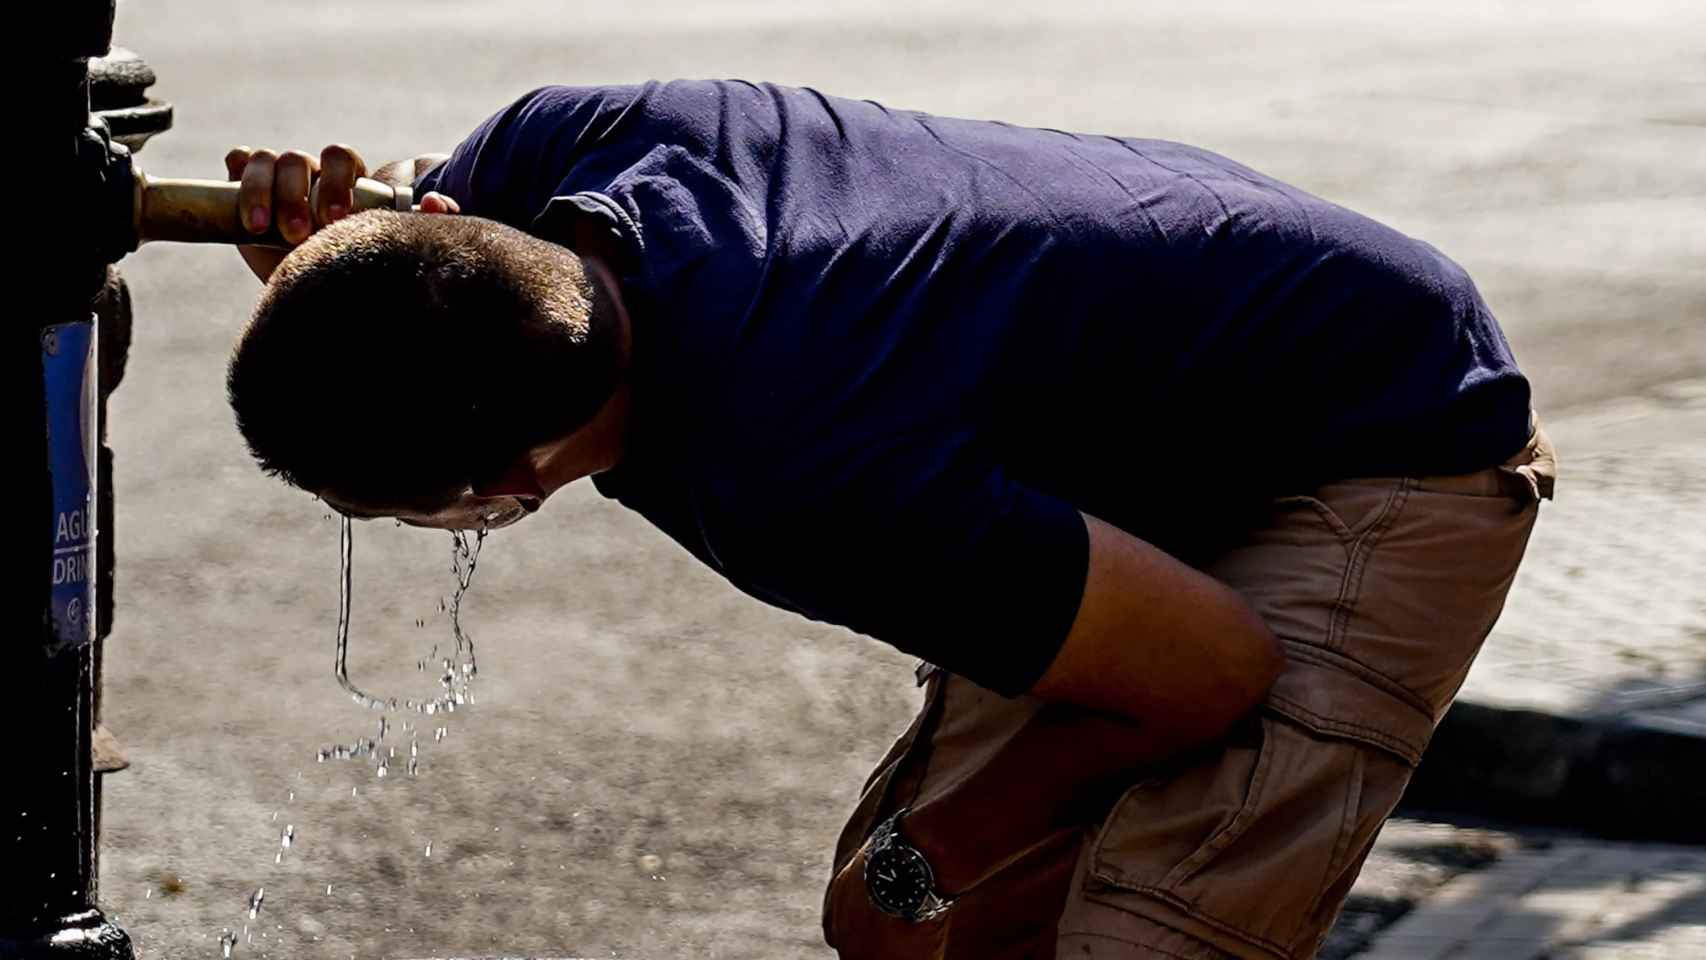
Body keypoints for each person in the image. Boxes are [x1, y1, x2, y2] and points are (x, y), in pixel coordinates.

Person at [224, 79, 1555, 959]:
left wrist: (940, 847)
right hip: (1146, 412)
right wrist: (328, 244)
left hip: (1382, 429)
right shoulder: (550, 155)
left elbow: (1212, 673)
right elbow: (426, 237)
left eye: (412, 512)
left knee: (1114, 937)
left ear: (512, 485)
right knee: (915, 938)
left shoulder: (798, 471)